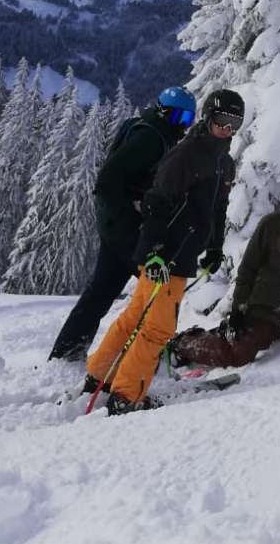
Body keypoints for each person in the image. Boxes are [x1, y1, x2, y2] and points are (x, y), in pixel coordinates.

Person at [85, 88, 243, 415]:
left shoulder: (221, 163)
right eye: (222, 121)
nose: (227, 130)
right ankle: (127, 396)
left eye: (234, 124)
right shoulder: (188, 154)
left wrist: (214, 246)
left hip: (182, 254)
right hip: (167, 255)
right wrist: (154, 252)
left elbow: (217, 208)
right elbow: (157, 202)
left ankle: (100, 374)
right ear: (209, 118)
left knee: (134, 316)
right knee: (157, 328)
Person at [48, 86, 197, 363]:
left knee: (102, 289)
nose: (182, 126)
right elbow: (107, 180)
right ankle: (141, 358)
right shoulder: (151, 138)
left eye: (187, 119)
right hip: (125, 227)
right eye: (178, 117)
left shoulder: (151, 129)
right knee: (156, 289)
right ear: (164, 111)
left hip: (115, 227)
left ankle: (67, 352)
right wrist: (130, 214)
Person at [170, 168, 280, 372]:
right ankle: (183, 344)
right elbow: (248, 268)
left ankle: (223, 334)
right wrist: (238, 309)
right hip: (264, 308)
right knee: (239, 355)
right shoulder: (273, 224)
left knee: (259, 342)